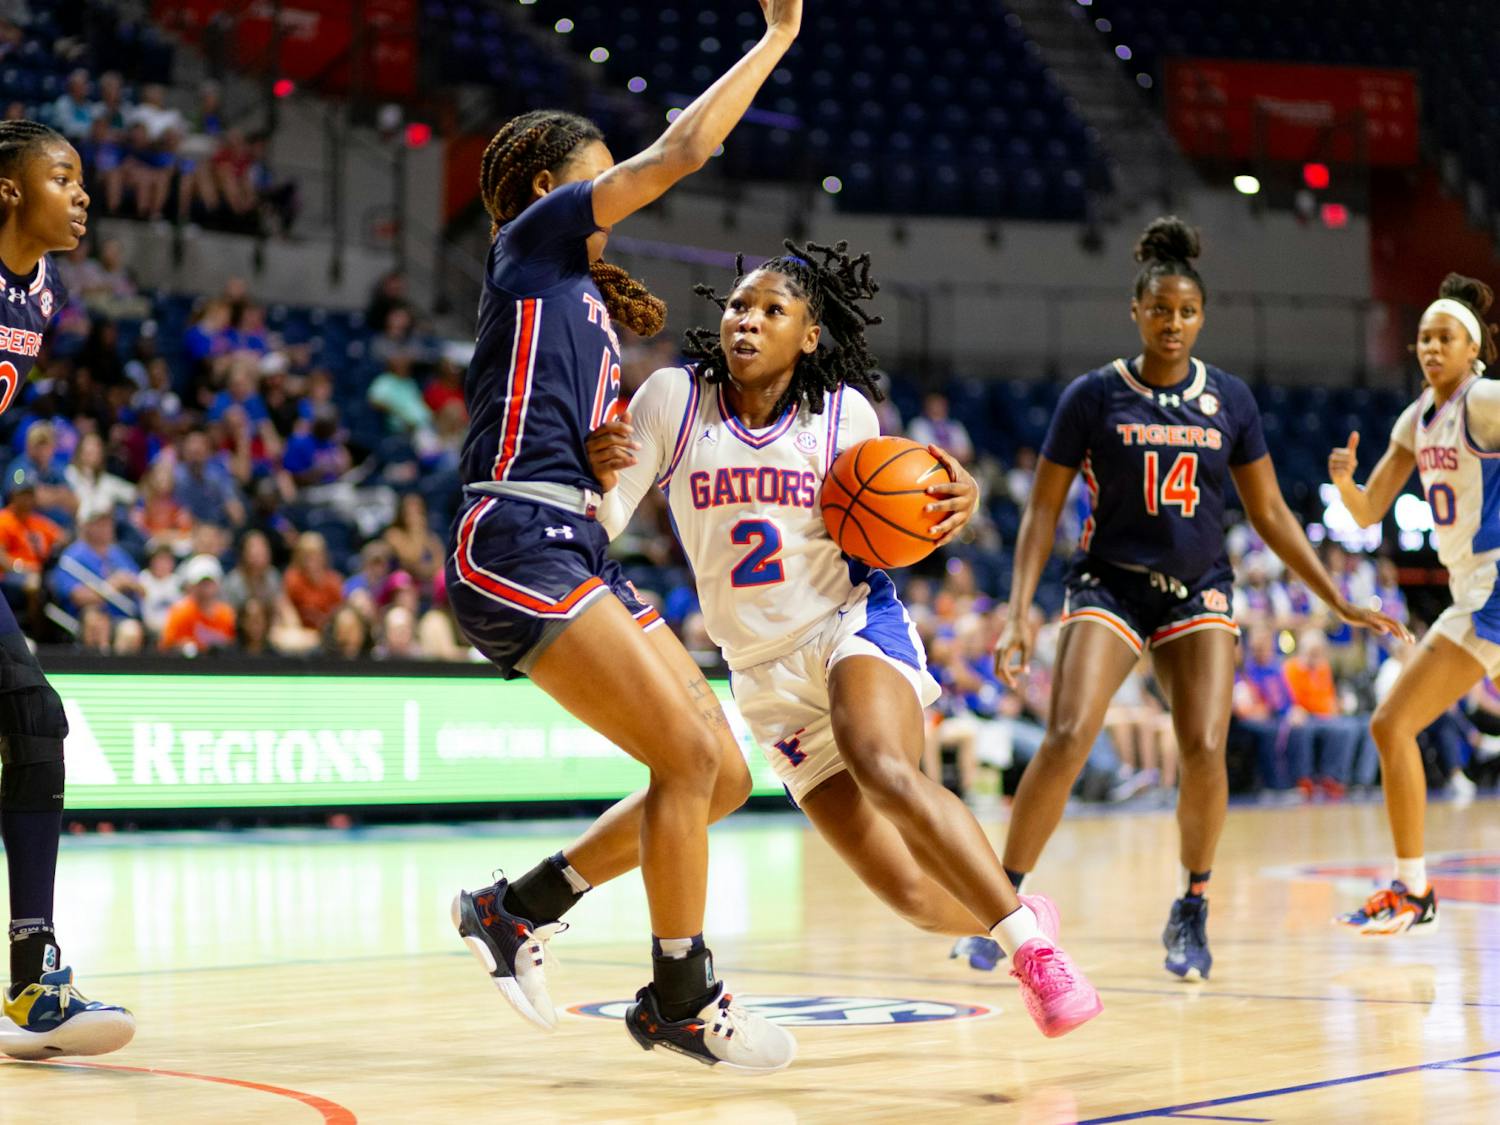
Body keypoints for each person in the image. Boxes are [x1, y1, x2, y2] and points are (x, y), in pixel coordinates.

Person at [583, 240, 1103, 1038]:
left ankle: (1035, 955)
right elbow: (605, 520)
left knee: (884, 764)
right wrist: (594, 470)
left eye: (771, 311)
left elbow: (896, 514)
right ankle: (1018, 912)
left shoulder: (843, 415)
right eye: (738, 307)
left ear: (811, 335)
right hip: (759, 674)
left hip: (847, 623)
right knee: (916, 897)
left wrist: (946, 494)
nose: (747, 321)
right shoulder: (672, 400)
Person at [445, 1, 807, 1074]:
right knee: (689, 754)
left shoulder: (579, 304)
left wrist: (598, 453)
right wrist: (776, 37)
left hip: (572, 542)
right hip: (513, 540)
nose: (621, 183)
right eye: (601, 169)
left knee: (725, 774)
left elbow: (566, 426)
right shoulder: (530, 241)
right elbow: (689, 145)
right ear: (550, 185)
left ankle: (516, 908)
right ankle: (682, 993)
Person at [992, 217, 1407, 981]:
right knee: (1069, 732)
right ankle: (1004, 901)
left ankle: (1192, 904)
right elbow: (1043, 509)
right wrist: (1019, 610)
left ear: (1201, 316)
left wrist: (1337, 598)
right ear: (1136, 311)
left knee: (1206, 747)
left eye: (1186, 312)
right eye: (1160, 310)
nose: (1173, 323)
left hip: (1198, 590)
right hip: (1110, 581)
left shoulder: (1232, 400)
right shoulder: (1093, 396)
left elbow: (1273, 513)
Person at [0, 119, 133, 1058]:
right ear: (9, 190)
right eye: (62, 176)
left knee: (35, 717)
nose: (81, 193)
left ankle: (30, 977)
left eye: (81, 178)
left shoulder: (40, 292)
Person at [1327, 272, 1500, 934]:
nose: (1431, 347)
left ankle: (1412, 887)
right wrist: (1345, 485)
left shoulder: (1481, 400)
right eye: (1425, 336)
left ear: (1473, 347)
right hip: (1472, 587)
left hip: (1492, 588)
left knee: (1390, 724)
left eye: (1445, 337)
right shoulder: (1416, 417)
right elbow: (1371, 509)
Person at [159, 554, 236, 653]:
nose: (205, 587)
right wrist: (183, 647)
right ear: (191, 585)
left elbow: (232, 645)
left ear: (217, 584)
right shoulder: (180, 612)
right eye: (201, 582)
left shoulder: (227, 614)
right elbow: (166, 647)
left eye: (209, 582)